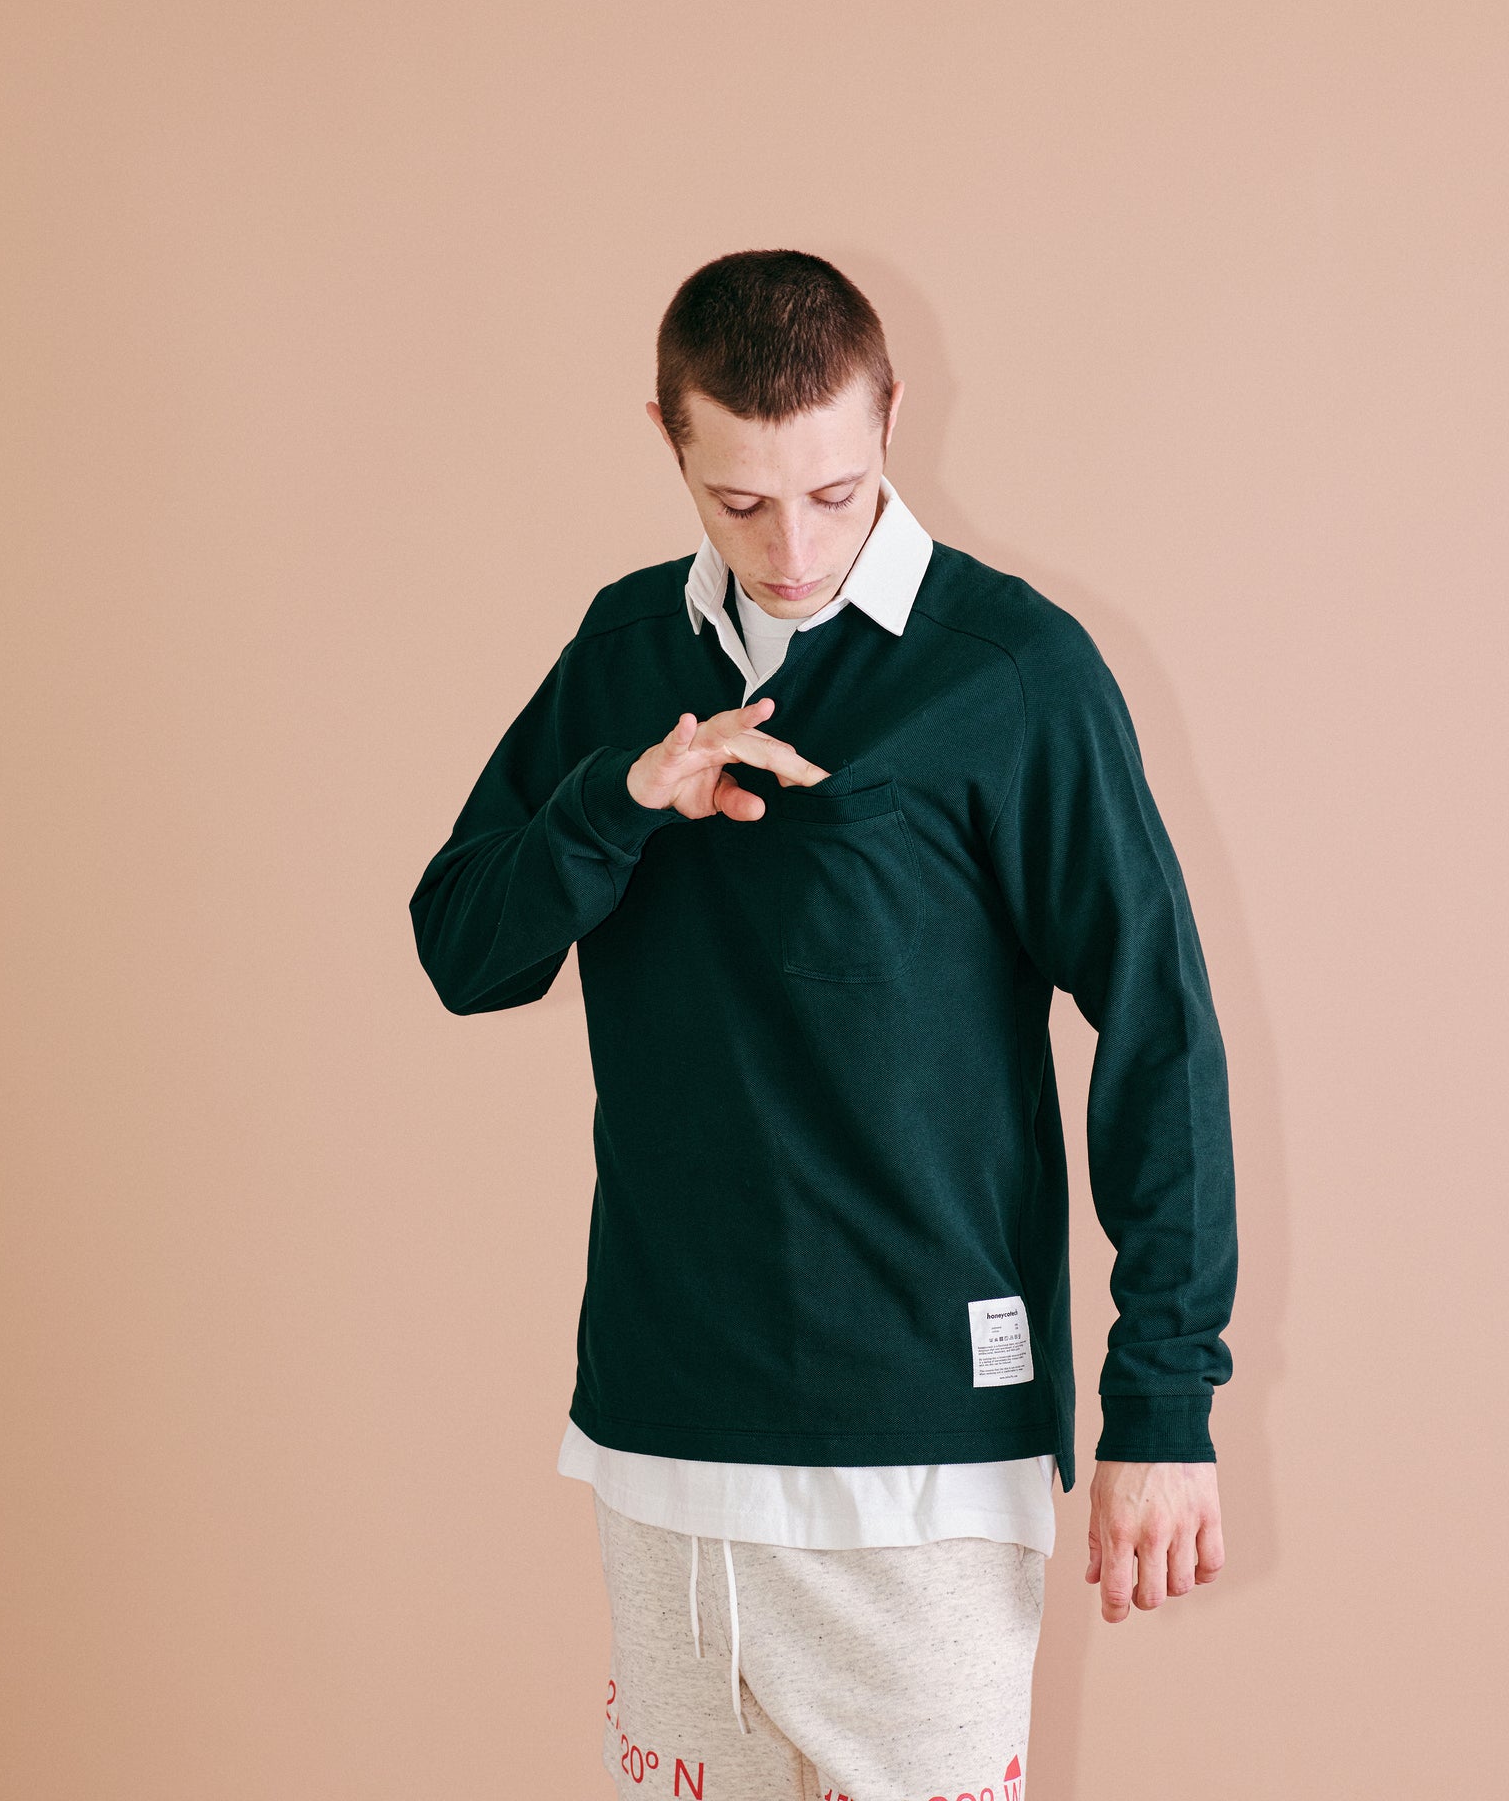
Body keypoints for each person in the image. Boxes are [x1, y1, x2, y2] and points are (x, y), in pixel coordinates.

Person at [409, 250, 1237, 1801]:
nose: (793, 550)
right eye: (739, 503)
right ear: (667, 437)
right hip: (665, 1440)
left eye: (834, 493)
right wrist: (618, 800)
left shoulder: (1013, 672)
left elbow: (1159, 1032)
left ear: (891, 417)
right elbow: (465, 950)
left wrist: (1165, 1402)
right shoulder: (625, 654)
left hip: (924, 1454)